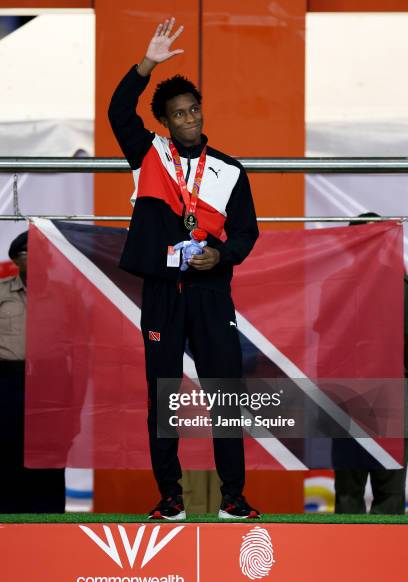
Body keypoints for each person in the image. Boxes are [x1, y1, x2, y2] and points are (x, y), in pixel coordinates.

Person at [108, 17, 260, 519]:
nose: (189, 119)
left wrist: (224, 255)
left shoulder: (229, 170)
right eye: (178, 114)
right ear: (166, 122)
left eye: (193, 110)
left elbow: (246, 233)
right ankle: (170, 497)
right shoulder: (147, 154)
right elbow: (117, 111)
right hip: (162, 291)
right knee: (163, 396)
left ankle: (232, 499)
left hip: (211, 290)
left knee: (226, 394)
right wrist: (147, 63)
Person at [333, 213, 407, 514]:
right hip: (350, 396)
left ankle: (385, 559)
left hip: (384, 395)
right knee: (352, 490)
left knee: (386, 490)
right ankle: (349, 558)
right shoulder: (333, 287)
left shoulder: (402, 286)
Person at [0, 231, 65, 513]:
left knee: (49, 452)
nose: (37, 258)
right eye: (29, 253)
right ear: (16, 259)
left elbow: (79, 347)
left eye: (43, 252)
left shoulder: (66, 295)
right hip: (7, 381)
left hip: (51, 382)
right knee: (6, 450)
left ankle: (48, 516)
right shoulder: (1, 292)